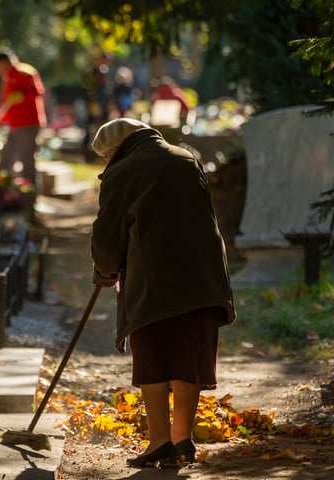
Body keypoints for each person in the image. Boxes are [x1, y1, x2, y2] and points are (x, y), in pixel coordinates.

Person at [89, 118, 236, 468]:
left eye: (105, 156)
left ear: (112, 151)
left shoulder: (121, 172)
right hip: (202, 278)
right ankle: (181, 438)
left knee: (153, 359)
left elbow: (108, 236)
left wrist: (105, 272)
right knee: (188, 357)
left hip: (153, 283)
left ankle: (158, 442)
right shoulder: (186, 159)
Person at [0, 51, 47, 186]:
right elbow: (7, 103)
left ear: (5, 63)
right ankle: (0, 187)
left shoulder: (25, 71)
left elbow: (38, 93)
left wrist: (21, 96)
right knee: (6, 156)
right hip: (14, 124)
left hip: (29, 123)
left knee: (26, 159)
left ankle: (31, 192)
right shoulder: (7, 77)